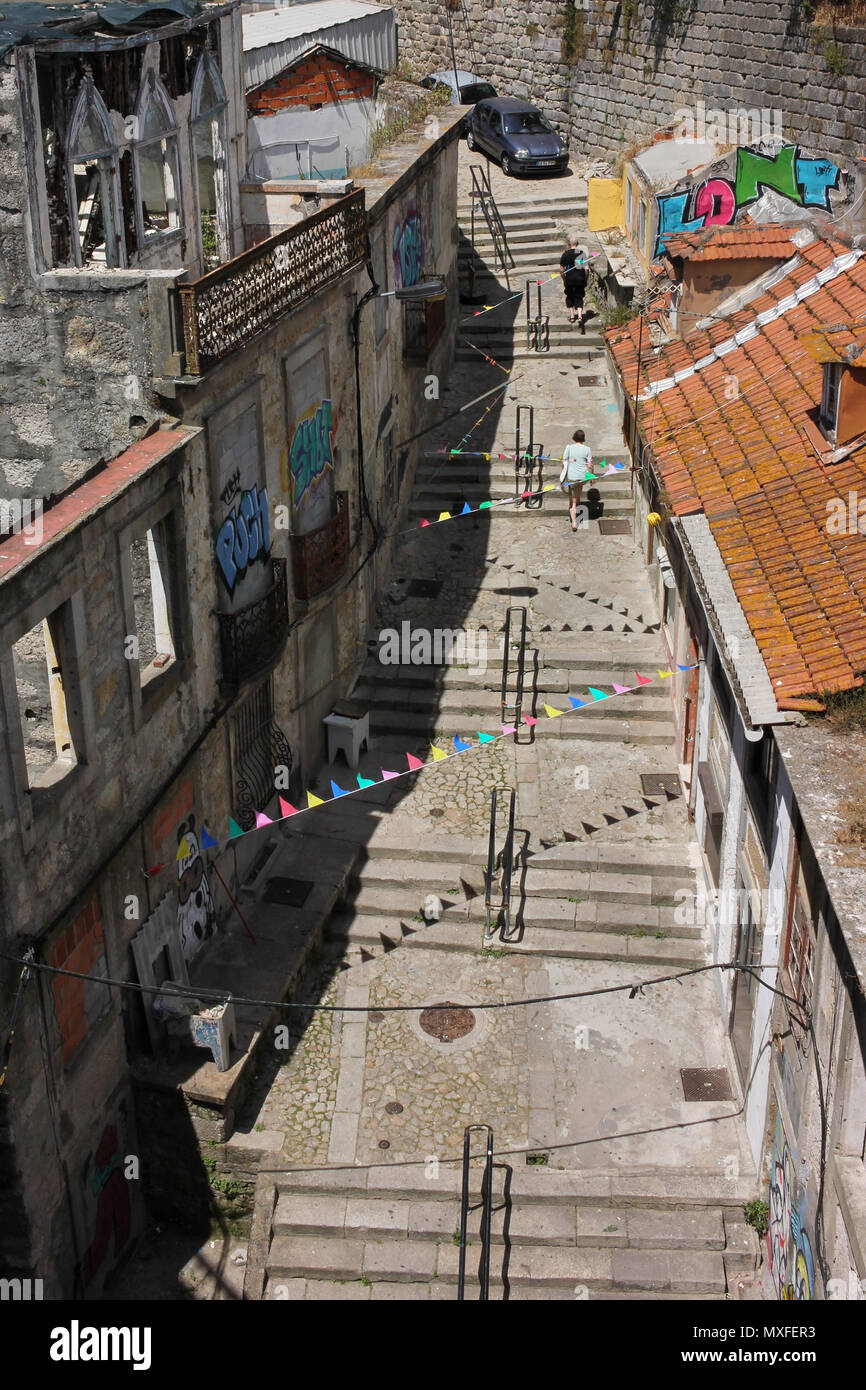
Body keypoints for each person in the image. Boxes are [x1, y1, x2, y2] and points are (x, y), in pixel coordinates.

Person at [559, 429, 594, 532]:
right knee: (578, 489)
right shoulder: (587, 449)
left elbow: (564, 462)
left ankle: (574, 522)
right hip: (583, 477)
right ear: (583, 439)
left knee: (573, 501)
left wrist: (564, 473)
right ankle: (577, 502)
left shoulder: (569, 448)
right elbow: (590, 465)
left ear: (574, 437)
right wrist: (592, 477)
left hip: (572, 477)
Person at [559, 236, 588, 332]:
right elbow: (586, 269)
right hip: (580, 279)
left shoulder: (566, 254)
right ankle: (580, 317)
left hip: (569, 279)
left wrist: (564, 280)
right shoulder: (581, 253)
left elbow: (561, 270)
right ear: (578, 243)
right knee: (579, 296)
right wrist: (585, 279)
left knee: (570, 296)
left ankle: (572, 316)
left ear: (569, 244)